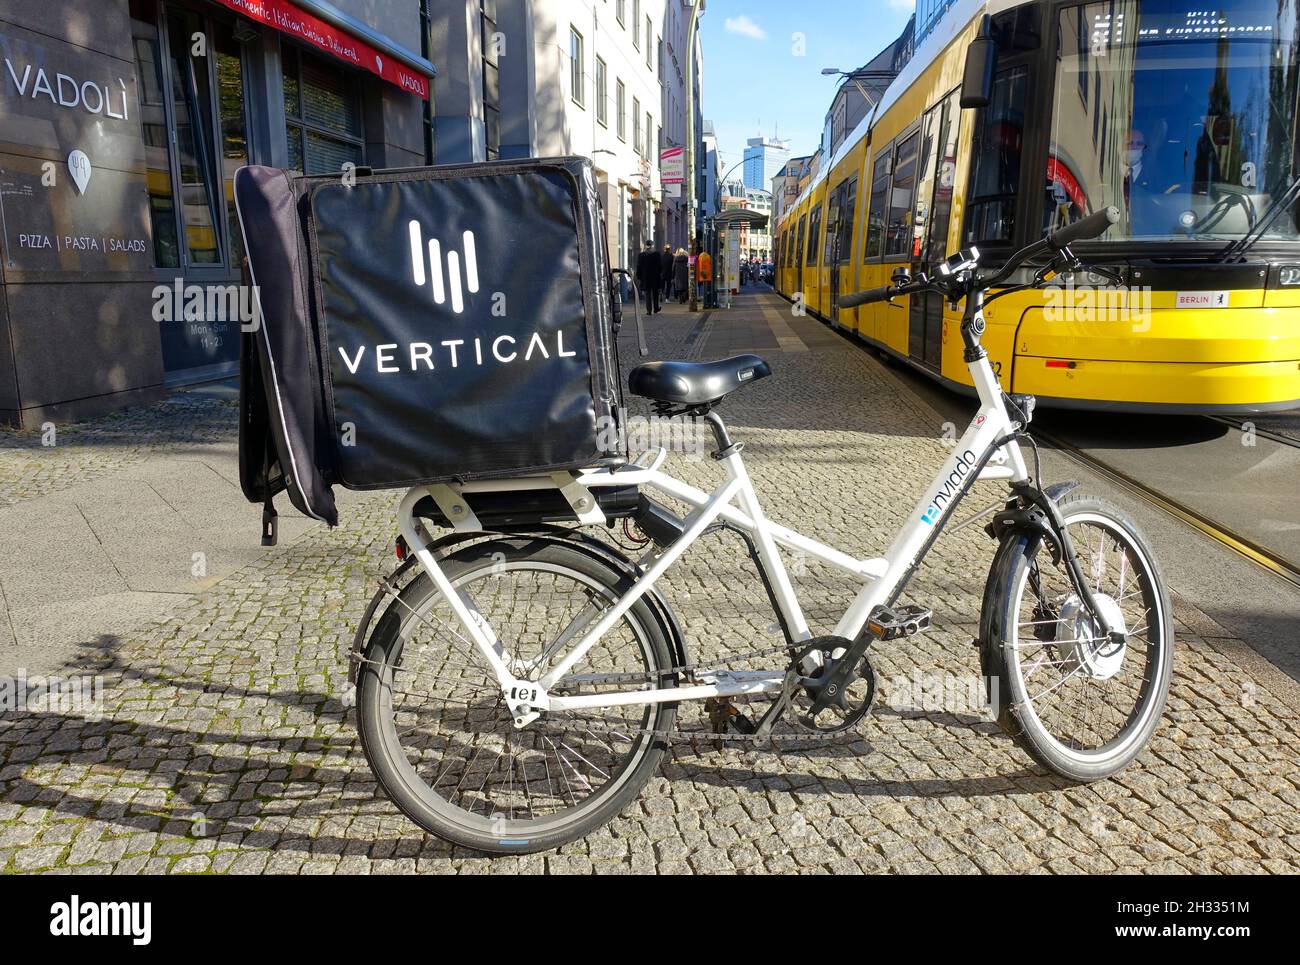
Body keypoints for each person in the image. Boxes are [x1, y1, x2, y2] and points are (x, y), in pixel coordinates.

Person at [635, 240, 662, 314]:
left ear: (646, 245)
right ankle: (656, 308)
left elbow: (639, 266)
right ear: (652, 245)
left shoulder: (642, 255)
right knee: (655, 293)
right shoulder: (657, 254)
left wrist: (638, 276)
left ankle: (649, 310)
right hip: (655, 277)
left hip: (646, 277)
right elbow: (660, 266)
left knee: (648, 294)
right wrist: (660, 274)